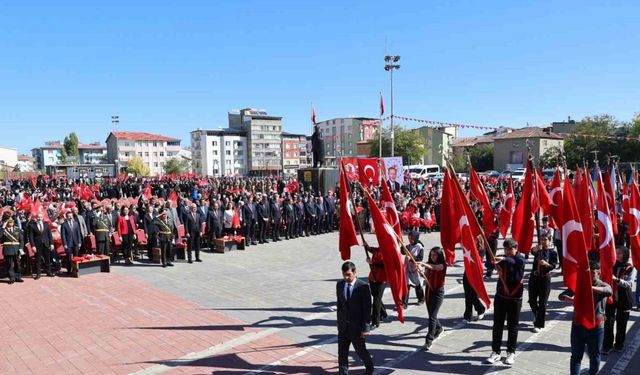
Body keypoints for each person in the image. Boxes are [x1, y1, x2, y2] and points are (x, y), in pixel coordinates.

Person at [559, 261, 612, 375]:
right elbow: (561, 296)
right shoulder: (578, 284)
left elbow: (609, 291)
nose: (590, 275)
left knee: (595, 357)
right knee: (576, 357)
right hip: (578, 325)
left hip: (596, 327)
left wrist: (590, 288)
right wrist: (572, 299)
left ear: (599, 273)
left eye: (593, 273)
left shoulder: (602, 285)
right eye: (588, 273)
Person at [486, 238, 525, 366]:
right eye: (506, 249)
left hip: (515, 299)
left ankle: (511, 352)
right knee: (497, 325)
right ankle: (495, 351)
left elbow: (515, 262)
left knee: (513, 326)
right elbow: (490, 264)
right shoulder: (502, 259)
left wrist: (502, 259)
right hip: (501, 297)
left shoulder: (520, 259)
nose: (507, 252)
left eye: (510, 249)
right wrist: (492, 262)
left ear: (516, 248)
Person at [336, 261, 374, 375]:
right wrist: (339, 322)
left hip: (357, 328)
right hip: (343, 327)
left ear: (355, 272)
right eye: (344, 274)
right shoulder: (340, 285)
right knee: (342, 353)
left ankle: (369, 367)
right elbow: (340, 305)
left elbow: (367, 309)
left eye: (348, 274)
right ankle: (343, 372)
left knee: (360, 351)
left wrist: (366, 328)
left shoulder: (363, 287)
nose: (346, 277)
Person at [603, 246, 635, 353]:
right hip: (611, 298)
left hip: (624, 299)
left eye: (620, 253)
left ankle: (619, 345)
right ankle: (607, 345)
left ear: (625, 255)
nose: (617, 255)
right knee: (608, 322)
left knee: (621, 324)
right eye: (616, 253)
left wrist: (616, 280)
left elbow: (629, 284)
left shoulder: (630, 268)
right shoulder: (612, 265)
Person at [528, 234, 558, 332]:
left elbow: (553, 265)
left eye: (545, 240)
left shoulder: (552, 253)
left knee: (542, 303)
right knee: (532, 300)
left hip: (545, 279)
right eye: (541, 239)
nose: (543, 241)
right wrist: (536, 249)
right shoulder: (538, 250)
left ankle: (538, 324)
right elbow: (532, 251)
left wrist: (546, 264)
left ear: (549, 241)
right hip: (534, 278)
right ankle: (537, 314)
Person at [422, 246, 447, 351]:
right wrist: (420, 271)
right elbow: (426, 276)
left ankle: (429, 340)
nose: (432, 256)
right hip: (429, 290)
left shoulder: (443, 265)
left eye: (435, 255)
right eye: (431, 254)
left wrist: (423, 264)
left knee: (432, 317)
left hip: (438, 292)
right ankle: (439, 328)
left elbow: (436, 268)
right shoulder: (429, 264)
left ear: (439, 255)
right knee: (432, 314)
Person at [366, 244, 387, 329]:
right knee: (376, 297)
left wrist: (372, 263)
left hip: (382, 279)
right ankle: (383, 313)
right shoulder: (377, 249)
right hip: (372, 277)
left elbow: (385, 265)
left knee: (376, 300)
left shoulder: (388, 252)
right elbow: (370, 249)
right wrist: (366, 245)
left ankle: (375, 322)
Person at [27, 212, 55, 278]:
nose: (39, 218)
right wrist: (33, 246)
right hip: (37, 245)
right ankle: (38, 273)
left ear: (43, 218)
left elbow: (49, 235)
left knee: (47, 259)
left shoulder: (46, 224)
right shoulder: (32, 225)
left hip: (46, 244)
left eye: (41, 217)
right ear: (36, 218)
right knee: (38, 260)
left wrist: (51, 243)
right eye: (38, 217)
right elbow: (30, 237)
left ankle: (48, 272)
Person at [402, 230, 424, 308]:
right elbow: (403, 252)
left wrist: (411, 258)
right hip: (408, 268)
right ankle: (404, 303)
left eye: (411, 239)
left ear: (415, 238)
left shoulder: (419, 247)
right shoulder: (408, 246)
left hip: (415, 268)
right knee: (406, 284)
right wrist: (402, 246)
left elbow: (420, 258)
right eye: (409, 238)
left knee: (418, 284)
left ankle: (421, 299)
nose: (410, 240)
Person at [1, 218, 24, 284]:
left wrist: (21, 248)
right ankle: (11, 278)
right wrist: (3, 227)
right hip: (8, 249)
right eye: (9, 222)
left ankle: (17, 277)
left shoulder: (17, 229)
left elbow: (21, 240)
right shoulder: (3, 230)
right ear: (7, 223)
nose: (10, 223)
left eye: (11, 222)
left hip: (16, 249)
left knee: (17, 264)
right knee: (9, 264)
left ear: (13, 223)